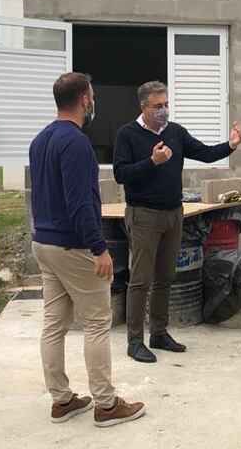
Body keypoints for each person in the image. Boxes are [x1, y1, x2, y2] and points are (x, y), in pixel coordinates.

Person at [29, 72, 145, 428]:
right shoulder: (76, 143)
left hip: (44, 242)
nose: (93, 102)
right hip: (73, 246)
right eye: (92, 96)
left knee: (54, 324)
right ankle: (106, 406)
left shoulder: (41, 139)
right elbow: (80, 204)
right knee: (97, 322)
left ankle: (62, 400)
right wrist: (100, 249)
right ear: (84, 100)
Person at [113, 80, 241, 363]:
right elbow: (121, 174)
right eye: (157, 106)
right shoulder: (128, 134)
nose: (164, 110)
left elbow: (205, 153)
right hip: (144, 215)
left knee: (165, 278)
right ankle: (135, 341)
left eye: (167, 105)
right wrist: (152, 162)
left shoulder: (175, 132)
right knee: (140, 280)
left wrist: (230, 145)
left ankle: (159, 332)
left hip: (174, 213)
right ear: (143, 107)